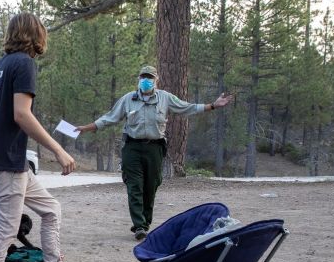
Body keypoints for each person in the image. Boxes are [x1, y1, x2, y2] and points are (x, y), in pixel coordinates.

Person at [0, 12, 90, 262]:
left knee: (51, 209)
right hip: (8, 162)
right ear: (36, 36)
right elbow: (22, 114)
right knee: (6, 229)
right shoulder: (23, 63)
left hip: (11, 159)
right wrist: (59, 150)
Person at [74, 65, 232, 240]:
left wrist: (212, 106)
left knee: (151, 185)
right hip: (132, 148)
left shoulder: (165, 98)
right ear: (138, 79)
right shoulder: (128, 99)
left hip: (154, 148)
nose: (146, 81)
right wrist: (86, 128)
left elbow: (186, 108)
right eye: (143, 77)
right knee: (134, 185)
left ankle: (145, 222)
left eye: (150, 78)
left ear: (156, 81)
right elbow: (109, 118)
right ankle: (139, 225)